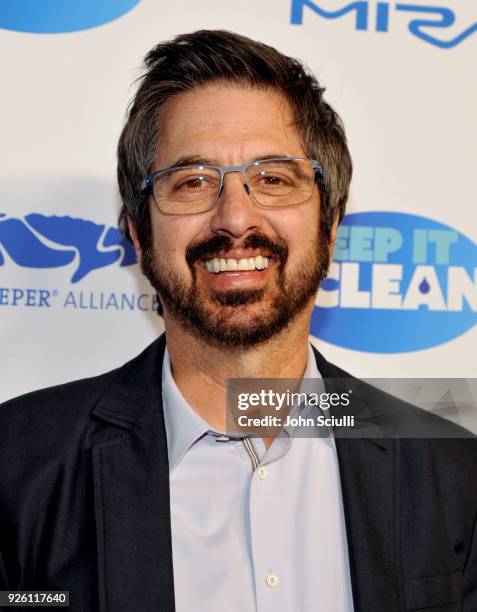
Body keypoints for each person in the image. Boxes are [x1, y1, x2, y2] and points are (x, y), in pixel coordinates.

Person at [0, 29, 476, 612]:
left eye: (274, 178)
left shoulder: (454, 472)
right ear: (138, 236)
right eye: (193, 181)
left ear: (330, 227)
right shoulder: (17, 465)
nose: (235, 217)